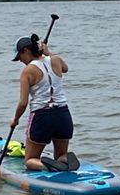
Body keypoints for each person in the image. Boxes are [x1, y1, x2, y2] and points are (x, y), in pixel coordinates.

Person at [9, 33, 78, 172]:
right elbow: (65, 69)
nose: (20, 61)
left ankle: (46, 166)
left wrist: (15, 119)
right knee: (60, 155)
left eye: (20, 57)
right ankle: (63, 160)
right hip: (63, 114)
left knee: (29, 160)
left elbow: (23, 103)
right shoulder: (56, 60)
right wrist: (48, 53)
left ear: (26, 51)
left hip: (42, 116)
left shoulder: (27, 71)